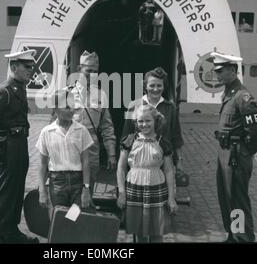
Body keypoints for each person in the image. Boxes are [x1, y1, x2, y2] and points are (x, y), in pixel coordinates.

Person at [0, 49, 39, 244]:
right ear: (14, 67)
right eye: (27, 67)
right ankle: (1, 232)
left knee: (16, 188)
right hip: (10, 145)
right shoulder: (4, 90)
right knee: (7, 190)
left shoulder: (19, 87)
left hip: (20, 143)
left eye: (32, 66)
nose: (31, 70)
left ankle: (11, 230)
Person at [211, 51, 257, 243]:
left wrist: (245, 151)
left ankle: (243, 238)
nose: (217, 75)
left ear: (232, 70)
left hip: (236, 155)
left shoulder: (243, 96)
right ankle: (233, 235)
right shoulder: (229, 93)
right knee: (227, 197)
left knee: (238, 199)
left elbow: (255, 130)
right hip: (226, 152)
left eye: (220, 71)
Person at [117, 105, 178, 243]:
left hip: (156, 188)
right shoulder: (129, 141)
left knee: (157, 232)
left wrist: (171, 198)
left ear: (155, 121)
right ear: (136, 123)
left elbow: (169, 170)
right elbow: (121, 167)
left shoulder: (163, 142)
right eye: (140, 121)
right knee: (139, 233)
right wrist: (122, 193)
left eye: (148, 120)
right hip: (134, 189)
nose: (144, 124)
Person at [69, 50, 117, 193]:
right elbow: (54, 124)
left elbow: (107, 126)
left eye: (95, 71)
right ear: (79, 69)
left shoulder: (101, 94)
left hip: (91, 146)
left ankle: (83, 212)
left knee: (88, 186)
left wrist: (111, 153)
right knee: (70, 184)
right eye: (88, 70)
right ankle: (70, 214)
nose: (91, 75)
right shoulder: (67, 93)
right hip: (71, 143)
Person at [37, 89, 93, 211]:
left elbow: (86, 162)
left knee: (74, 217)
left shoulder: (82, 131)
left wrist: (86, 188)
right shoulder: (47, 132)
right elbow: (42, 164)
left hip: (77, 182)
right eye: (67, 107)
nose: (71, 110)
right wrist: (41, 190)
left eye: (73, 106)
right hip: (57, 182)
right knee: (58, 219)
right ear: (55, 109)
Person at [122, 67, 185, 173]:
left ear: (164, 86)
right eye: (152, 85)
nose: (155, 89)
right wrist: (122, 164)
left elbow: (176, 137)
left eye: (159, 85)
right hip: (139, 162)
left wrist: (179, 160)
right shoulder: (133, 106)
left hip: (164, 163)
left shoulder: (170, 108)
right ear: (145, 86)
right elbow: (126, 135)